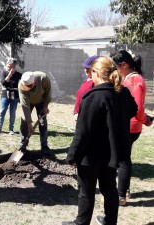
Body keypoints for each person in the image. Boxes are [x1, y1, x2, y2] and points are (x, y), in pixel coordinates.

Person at [63, 56, 137, 225]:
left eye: (92, 73)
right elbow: (133, 110)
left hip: (90, 155)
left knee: (86, 191)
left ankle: (81, 223)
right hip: (111, 153)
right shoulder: (122, 92)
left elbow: (83, 132)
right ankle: (111, 221)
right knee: (109, 189)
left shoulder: (93, 96)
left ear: (96, 73)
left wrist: (72, 155)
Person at [112, 50, 153, 206]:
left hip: (129, 126)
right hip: (127, 124)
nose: (115, 70)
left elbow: (136, 108)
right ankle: (125, 189)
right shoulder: (129, 78)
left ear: (124, 65)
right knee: (123, 157)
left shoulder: (134, 80)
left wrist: (145, 120)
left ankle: (121, 197)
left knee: (122, 160)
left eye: (116, 67)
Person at [18, 71, 52, 155]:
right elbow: (25, 105)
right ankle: (23, 144)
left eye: (29, 86)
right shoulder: (22, 85)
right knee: (24, 121)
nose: (27, 87)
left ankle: (44, 146)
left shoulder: (43, 78)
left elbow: (48, 92)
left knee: (42, 123)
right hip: (28, 102)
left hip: (41, 102)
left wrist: (45, 106)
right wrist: (29, 123)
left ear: (35, 82)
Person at [0, 58, 22, 135]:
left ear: (14, 67)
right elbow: (3, 83)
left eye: (10, 66)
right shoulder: (4, 72)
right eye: (8, 66)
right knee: (2, 111)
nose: (9, 68)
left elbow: (22, 85)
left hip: (14, 95)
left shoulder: (18, 75)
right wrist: (9, 75)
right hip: (5, 94)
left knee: (12, 112)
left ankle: (11, 129)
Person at [73, 55, 99, 120]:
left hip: (87, 117)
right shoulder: (86, 81)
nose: (85, 70)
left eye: (88, 68)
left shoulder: (96, 83)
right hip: (80, 115)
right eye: (84, 67)